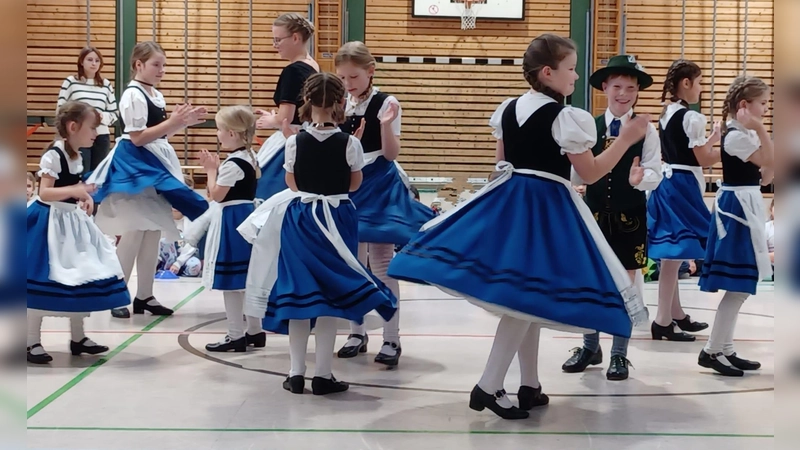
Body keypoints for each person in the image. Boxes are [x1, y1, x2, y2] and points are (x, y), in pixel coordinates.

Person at [388, 34, 649, 420]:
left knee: (529, 295)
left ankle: (530, 385)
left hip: (512, 200)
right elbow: (591, 173)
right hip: (545, 209)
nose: (576, 77)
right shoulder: (564, 118)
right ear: (548, 72)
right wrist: (625, 140)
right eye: (572, 68)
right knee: (523, 299)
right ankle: (489, 384)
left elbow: (501, 164)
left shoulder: (509, 108)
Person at [240, 72, 397, 395]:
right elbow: (355, 184)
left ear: (306, 103)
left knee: (300, 294)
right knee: (329, 298)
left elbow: (291, 184)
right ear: (341, 103)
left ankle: (296, 373)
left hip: (301, 219)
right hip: (338, 218)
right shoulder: (350, 143)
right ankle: (323, 374)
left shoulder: (294, 141)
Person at [86, 41, 209, 318]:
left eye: (163, 65)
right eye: (156, 64)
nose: (162, 70)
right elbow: (138, 137)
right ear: (138, 65)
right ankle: (116, 295)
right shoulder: (132, 95)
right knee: (134, 232)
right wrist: (174, 122)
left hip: (154, 162)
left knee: (152, 231)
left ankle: (145, 295)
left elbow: (159, 136)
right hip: (136, 167)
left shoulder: (156, 95)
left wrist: (181, 123)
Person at [333, 41, 435, 367]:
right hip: (349, 183)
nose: (348, 84)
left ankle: (392, 337)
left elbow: (391, 154)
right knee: (351, 261)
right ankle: (356, 330)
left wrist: (386, 125)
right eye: (343, 78)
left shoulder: (386, 102)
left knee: (381, 263)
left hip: (379, 182)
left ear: (370, 71)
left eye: (354, 77)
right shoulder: (341, 103)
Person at [564, 54, 662, 381]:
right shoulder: (587, 126)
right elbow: (575, 171)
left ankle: (620, 354)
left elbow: (655, 172)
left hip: (629, 217)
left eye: (631, 88)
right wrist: (574, 188)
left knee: (627, 285)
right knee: (590, 280)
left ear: (637, 91)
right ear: (605, 86)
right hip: (591, 215)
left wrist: (640, 180)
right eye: (617, 86)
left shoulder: (647, 131)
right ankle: (590, 346)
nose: (624, 93)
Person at [27, 101, 130, 364]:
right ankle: (30, 341)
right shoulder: (53, 154)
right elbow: (45, 192)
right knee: (43, 278)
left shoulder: (77, 155)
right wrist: (75, 191)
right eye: (93, 127)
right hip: (48, 223)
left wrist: (83, 197)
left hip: (70, 222)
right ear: (73, 127)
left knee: (80, 275)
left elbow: (74, 187)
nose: (97, 133)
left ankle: (78, 336)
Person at [698, 76, 773, 376]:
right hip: (736, 210)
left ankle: (724, 348)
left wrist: (764, 142)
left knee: (742, 286)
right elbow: (769, 160)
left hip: (747, 203)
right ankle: (712, 350)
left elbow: (767, 175)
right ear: (745, 105)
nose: (766, 110)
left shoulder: (746, 134)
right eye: (763, 104)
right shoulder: (737, 136)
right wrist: (761, 132)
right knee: (738, 285)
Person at [647, 59, 721, 341]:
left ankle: (675, 314)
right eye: (700, 82)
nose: (702, 89)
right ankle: (663, 320)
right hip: (682, 185)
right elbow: (701, 158)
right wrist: (730, 151)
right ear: (686, 83)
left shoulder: (669, 112)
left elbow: (689, 150)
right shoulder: (691, 117)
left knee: (673, 251)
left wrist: (712, 138)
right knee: (672, 255)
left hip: (670, 182)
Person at [197, 106, 266, 352]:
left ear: (233, 133)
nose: (217, 134)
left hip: (233, 221)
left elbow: (216, 195)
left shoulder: (233, 163)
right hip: (245, 217)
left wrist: (210, 171)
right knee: (246, 280)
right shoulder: (250, 156)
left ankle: (235, 335)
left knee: (231, 282)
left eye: (219, 130)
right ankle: (255, 331)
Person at [255, 13, 319, 201]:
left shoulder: (293, 71)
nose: (275, 45)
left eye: (278, 40)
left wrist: (270, 120)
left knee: (264, 191)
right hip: (307, 136)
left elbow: (286, 119)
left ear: (296, 38)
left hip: (289, 139)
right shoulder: (313, 65)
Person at [56, 47, 118, 175]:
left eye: (97, 60)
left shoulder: (105, 84)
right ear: (81, 62)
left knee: (98, 174)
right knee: (80, 172)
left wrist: (100, 117)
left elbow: (114, 113)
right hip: (79, 134)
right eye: (90, 60)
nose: (94, 63)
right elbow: (61, 110)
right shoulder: (71, 82)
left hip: (101, 135)